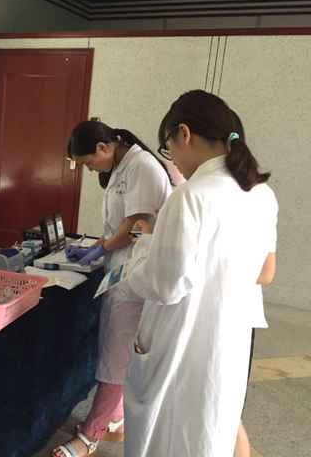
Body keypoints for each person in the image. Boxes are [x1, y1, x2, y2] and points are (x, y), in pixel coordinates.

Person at [123, 90, 278, 456]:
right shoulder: (261, 194)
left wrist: (137, 261)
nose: (174, 160)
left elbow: (166, 285)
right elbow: (264, 271)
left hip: (182, 337)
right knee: (212, 425)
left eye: (169, 148)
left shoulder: (190, 196)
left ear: (184, 134)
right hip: (228, 339)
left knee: (169, 431)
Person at [53, 121, 172, 457]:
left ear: (103, 148)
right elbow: (123, 223)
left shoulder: (142, 167)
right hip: (123, 267)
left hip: (135, 274)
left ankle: (91, 434)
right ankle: (116, 416)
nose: (90, 170)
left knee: (115, 354)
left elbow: (137, 225)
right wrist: (100, 246)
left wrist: (103, 246)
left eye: (89, 162)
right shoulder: (123, 167)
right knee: (116, 347)